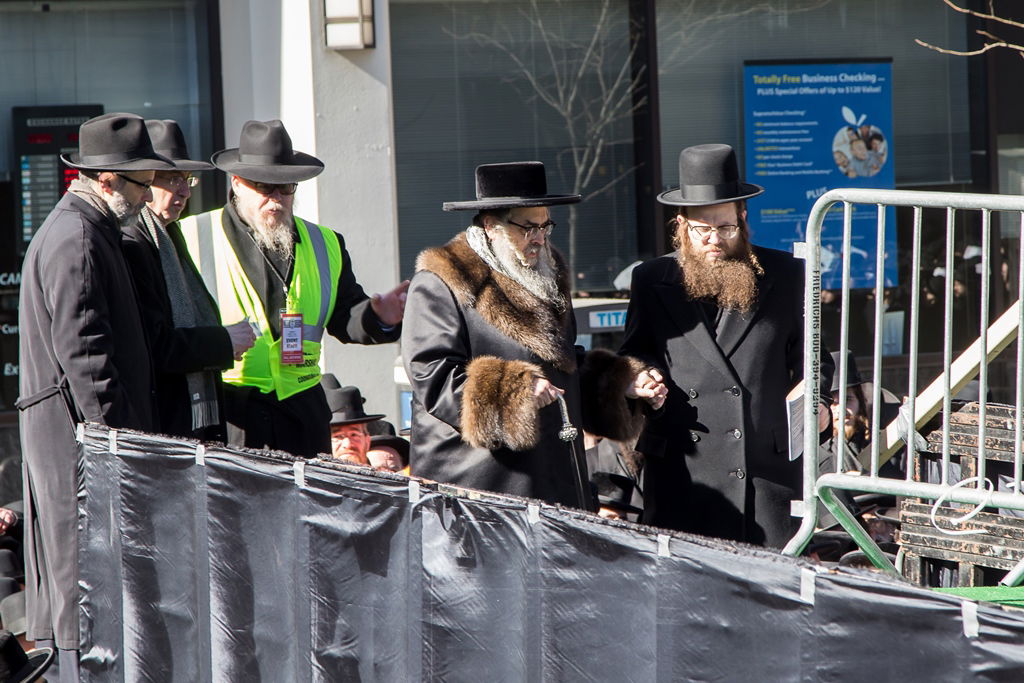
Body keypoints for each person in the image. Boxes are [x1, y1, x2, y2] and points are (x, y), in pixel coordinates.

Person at [403, 161, 666, 508]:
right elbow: (431, 375)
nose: (539, 238)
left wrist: (620, 383)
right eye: (528, 228)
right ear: (490, 225)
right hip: (479, 483)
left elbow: (560, 364)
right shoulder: (443, 281)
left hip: (555, 476)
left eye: (545, 226)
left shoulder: (549, 271)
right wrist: (516, 389)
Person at [17, 113, 174, 677]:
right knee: (84, 593)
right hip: (80, 450)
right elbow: (88, 363)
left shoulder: (86, 230)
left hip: (79, 444)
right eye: (139, 183)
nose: (148, 194)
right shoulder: (78, 238)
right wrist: (121, 451)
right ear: (105, 180)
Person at [620, 143, 833, 547]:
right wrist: (640, 375)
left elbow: (814, 358)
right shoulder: (651, 279)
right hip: (685, 470)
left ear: (743, 219)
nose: (715, 240)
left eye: (726, 228)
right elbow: (634, 350)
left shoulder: (789, 274)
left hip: (764, 473)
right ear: (682, 226)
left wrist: (817, 402)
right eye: (703, 230)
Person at [180, 120, 408, 457]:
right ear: (237, 183)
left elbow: (345, 317)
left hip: (302, 412)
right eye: (264, 187)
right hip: (229, 410)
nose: (275, 199)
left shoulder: (325, 242)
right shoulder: (189, 237)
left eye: (286, 189)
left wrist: (378, 315)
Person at [121, 119, 255, 441]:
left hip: (188, 419)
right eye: (170, 179)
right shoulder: (135, 243)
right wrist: (223, 342)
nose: (183, 190)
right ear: (145, 182)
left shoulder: (168, 233)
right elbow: (155, 345)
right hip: (165, 424)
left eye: (186, 179)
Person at [321, 375, 383, 465]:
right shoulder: (306, 478)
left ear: (367, 440)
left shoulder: (384, 478)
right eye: (338, 436)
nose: (348, 444)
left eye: (354, 435)